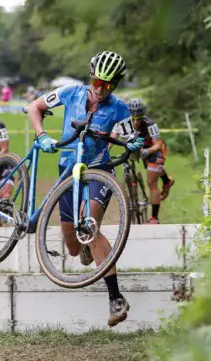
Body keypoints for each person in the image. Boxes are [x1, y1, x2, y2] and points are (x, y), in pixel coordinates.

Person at [25, 50, 144, 327]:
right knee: (75, 249)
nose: (100, 89)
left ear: (114, 85)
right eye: (96, 82)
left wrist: (134, 147)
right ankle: (87, 247)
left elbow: (130, 146)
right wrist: (42, 135)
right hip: (68, 170)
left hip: (99, 171)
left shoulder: (119, 108)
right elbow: (34, 107)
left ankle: (115, 298)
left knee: (90, 227)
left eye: (107, 85)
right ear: (90, 77)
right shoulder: (72, 92)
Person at [126, 98, 175, 224]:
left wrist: (148, 152)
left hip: (156, 150)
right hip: (141, 149)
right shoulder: (124, 122)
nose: (136, 122)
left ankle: (154, 218)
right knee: (153, 171)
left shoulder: (150, 124)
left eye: (139, 118)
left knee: (151, 182)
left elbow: (157, 144)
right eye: (133, 119)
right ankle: (167, 181)